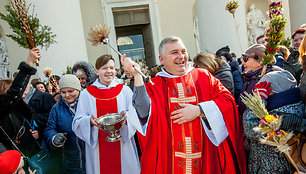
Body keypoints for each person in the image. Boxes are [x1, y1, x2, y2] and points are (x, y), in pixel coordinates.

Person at [121, 36, 246, 173]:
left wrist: (200, 110)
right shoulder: (155, 85)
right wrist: (137, 76)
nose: (181, 56)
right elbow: (143, 114)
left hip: (206, 158)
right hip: (170, 162)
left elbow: (228, 101)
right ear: (161, 59)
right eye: (174, 52)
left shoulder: (203, 77)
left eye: (183, 51)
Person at [72, 55, 142, 174]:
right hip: (98, 147)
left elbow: (137, 116)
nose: (109, 71)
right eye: (104, 68)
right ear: (96, 71)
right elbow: (77, 122)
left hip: (123, 145)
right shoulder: (86, 94)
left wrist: (127, 117)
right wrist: (89, 121)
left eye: (112, 68)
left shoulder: (124, 90)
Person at [243, 71, 304, 173]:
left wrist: (259, 100)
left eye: (266, 91)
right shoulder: (293, 104)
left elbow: (250, 128)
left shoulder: (280, 113)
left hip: (272, 167)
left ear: (275, 92)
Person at [0, 48, 42, 157]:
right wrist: (28, 64)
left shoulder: (17, 109)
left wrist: (34, 131)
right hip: (16, 159)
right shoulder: (3, 108)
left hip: (31, 151)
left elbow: (28, 120)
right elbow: (14, 93)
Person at [44, 74, 86, 173]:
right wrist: (54, 138)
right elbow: (49, 129)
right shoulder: (57, 108)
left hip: (93, 159)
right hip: (72, 162)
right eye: (63, 92)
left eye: (71, 91)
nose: (67, 95)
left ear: (78, 89)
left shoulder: (88, 103)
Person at [237, 44, 282, 116]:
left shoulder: (267, 78)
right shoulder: (250, 76)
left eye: (246, 58)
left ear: (259, 61)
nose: (242, 63)